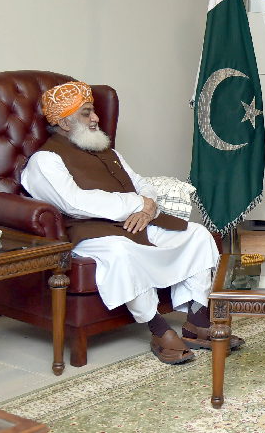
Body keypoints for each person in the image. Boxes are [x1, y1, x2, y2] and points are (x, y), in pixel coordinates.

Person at [22, 81, 243, 365]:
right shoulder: (45, 160)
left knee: (197, 234)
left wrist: (148, 206)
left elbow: (141, 184)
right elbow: (74, 203)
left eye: (94, 113)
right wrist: (136, 204)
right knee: (120, 253)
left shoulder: (107, 152)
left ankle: (197, 322)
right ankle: (158, 329)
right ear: (64, 122)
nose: (96, 119)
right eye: (87, 113)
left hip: (137, 223)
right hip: (93, 235)